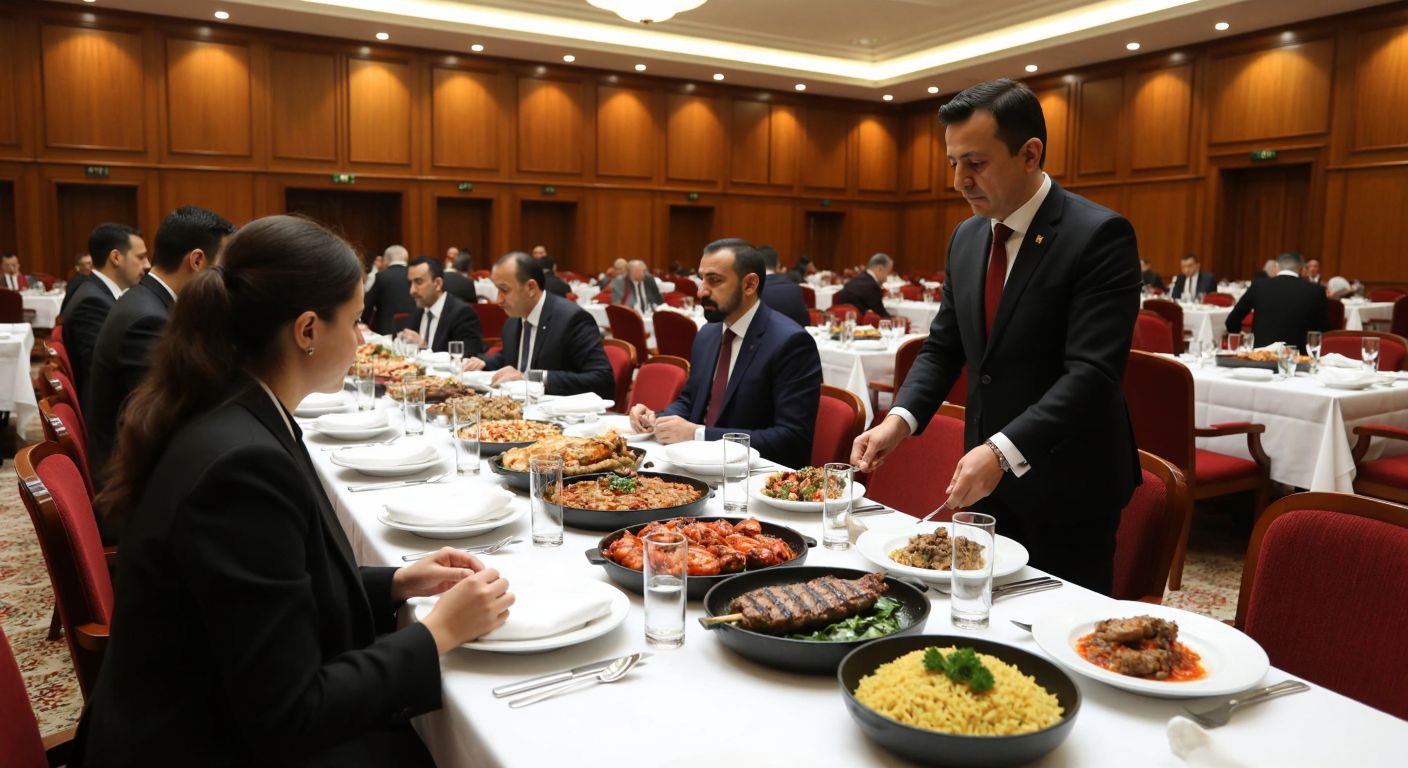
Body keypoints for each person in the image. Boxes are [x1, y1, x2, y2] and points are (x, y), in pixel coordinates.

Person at [75, 216, 513, 765]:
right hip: (197, 742)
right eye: (354, 322)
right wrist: (439, 633)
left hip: (207, 710)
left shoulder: (233, 408)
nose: (359, 340)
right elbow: (292, 712)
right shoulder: (242, 465)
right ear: (307, 330)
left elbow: (275, 587)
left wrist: (396, 582)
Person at [850, 79, 1141, 595]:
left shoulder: (1098, 236)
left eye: (976, 163)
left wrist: (1003, 451)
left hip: (1068, 484)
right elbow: (944, 346)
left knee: (1052, 637)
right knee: (978, 619)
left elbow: (1092, 375)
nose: (960, 180)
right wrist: (899, 419)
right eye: (953, 163)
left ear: (1030, 154)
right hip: (986, 482)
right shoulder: (967, 236)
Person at [629, 239, 821, 469]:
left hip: (754, 478)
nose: (701, 290)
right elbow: (690, 400)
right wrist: (657, 419)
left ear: (749, 284)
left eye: (715, 280)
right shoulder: (708, 334)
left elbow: (791, 439)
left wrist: (699, 435)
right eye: (701, 279)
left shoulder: (790, 343)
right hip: (696, 466)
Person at [85, 205, 235, 498]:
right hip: (130, 489)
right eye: (223, 266)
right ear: (197, 260)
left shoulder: (149, 302)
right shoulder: (148, 319)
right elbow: (169, 421)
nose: (226, 279)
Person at [464, 252, 614, 400]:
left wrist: (530, 377)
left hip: (560, 417)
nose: (498, 300)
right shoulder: (513, 321)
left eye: (504, 290)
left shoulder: (571, 320)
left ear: (531, 287)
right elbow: (512, 357)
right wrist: (484, 362)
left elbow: (602, 381)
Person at [61, 223, 148, 391]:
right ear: (116, 258)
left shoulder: (97, 292)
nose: (146, 265)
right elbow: (104, 372)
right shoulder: (92, 302)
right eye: (141, 257)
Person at [1225, 252, 1331, 347]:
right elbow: (1323, 328)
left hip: (1260, 355)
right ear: (1301, 268)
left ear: (1277, 267)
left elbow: (1232, 320)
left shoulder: (1259, 286)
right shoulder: (1316, 291)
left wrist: (1240, 341)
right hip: (1298, 358)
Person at [398, 257, 484, 355]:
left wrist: (424, 348)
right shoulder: (417, 310)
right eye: (410, 283)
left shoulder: (463, 314)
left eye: (418, 282)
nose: (412, 290)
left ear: (438, 283)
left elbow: (466, 357)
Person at [360, 245, 415, 335]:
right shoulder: (415, 275)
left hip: (387, 329)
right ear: (406, 258)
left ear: (385, 260)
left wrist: (364, 322)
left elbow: (368, 303)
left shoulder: (382, 276)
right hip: (414, 328)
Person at [757, 244, 809, 328]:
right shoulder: (795, 288)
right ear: (778, 265)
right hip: (795, 338)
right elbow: (806, 322)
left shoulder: (754, 290)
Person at [833, 253, 894, 318]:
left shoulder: (857, 278)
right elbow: (882, 314)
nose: (887, 278)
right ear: (880, 269)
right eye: (888, 272)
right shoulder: (872, 285)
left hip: (841, 320)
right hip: (859, 323)